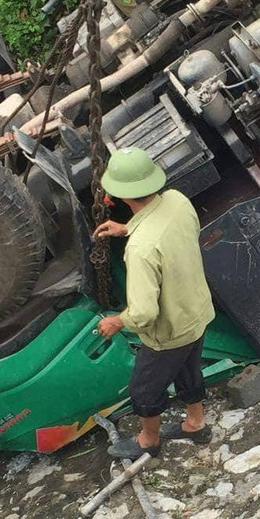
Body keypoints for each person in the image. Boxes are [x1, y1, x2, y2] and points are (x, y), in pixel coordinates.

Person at [94, 147, 216, 458]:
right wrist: (127, 229)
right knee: (189, 369)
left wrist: (116, 321)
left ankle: (149, 441)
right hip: (196, 311)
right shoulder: (177, 199)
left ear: (120, 196)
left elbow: (145, 312)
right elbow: (170, 233)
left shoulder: (140, 249)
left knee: (144, 390)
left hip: (169, 331)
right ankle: (195, 424)